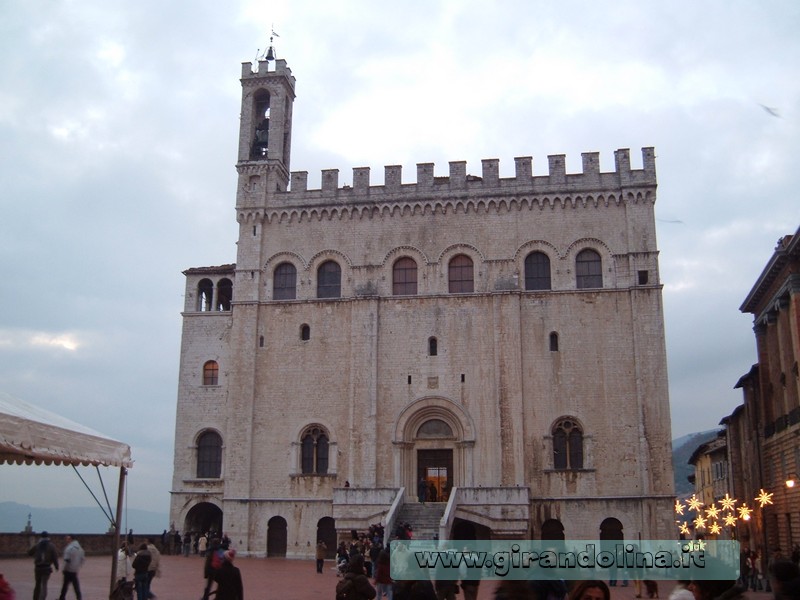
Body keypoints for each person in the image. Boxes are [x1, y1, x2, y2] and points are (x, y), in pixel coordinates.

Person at [28, 531, 59, 600]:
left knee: (37, 584)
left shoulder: (38, 545)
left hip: (38, 567)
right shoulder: (51, 546)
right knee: (44, 584)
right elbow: (55, 557)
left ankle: (35, 598)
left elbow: (30, 553)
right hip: (46, 567)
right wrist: (56, 566)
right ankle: (42, 598)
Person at [58, 535, 84, 600]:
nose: (66, 540)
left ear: (70, 539)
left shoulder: (69, 548)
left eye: (67, 539)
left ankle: (62, 597)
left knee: (66, 585)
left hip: (68, 569)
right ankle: (78, 597)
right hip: (75, 569)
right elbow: (82, 559)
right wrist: (77, 566)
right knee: (73, 584)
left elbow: (67, 560)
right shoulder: (80, 549)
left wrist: (64, 568)